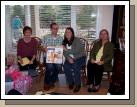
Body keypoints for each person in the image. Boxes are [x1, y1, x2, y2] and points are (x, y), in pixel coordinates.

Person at [62, 27, 86, 93]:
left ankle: (78, 84)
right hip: (70, 58)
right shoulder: (64, 41)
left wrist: (66, 50)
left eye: (69, 32)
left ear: (72, 33)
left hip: (80, 57)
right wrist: (68, 58)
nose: (67, 33)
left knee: (75, 66)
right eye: (66, 32)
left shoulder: (77, 40)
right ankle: (71, 82)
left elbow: (77, 51)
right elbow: (64, 52)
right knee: (65, 66)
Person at [42, 22, 63, 91]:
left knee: (59, 66)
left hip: (57, 57)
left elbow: (62, 48)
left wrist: (62, 47)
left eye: (57, 28)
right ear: (51, 29)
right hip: (48, 57)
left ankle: (52, 81)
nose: (55, 30)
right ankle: (46, 82)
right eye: (54, 28)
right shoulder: (45, 37)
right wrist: (44, 48)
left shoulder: (61, 38)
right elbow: (41, 46)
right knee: (50, 67)